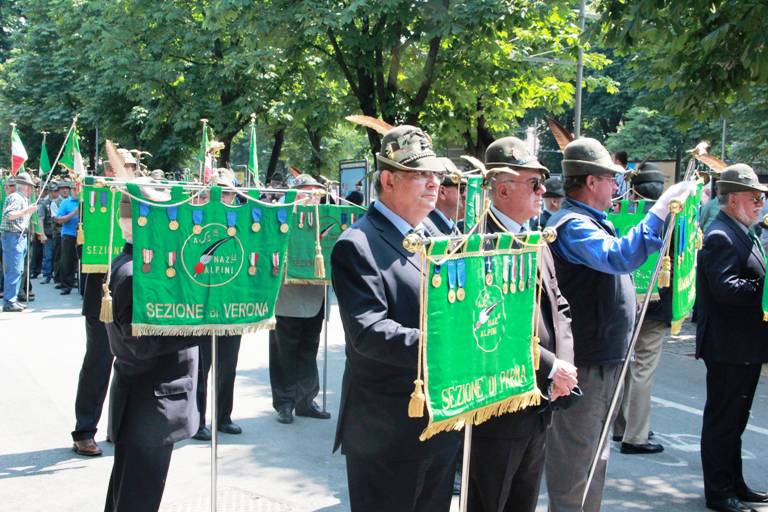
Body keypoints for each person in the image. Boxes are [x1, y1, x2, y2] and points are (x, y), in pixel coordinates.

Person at [544, 138, 695, 512]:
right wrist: (660, 209)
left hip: (605, 358)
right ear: (592, 182)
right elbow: (619, 257)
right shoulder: (572, 225)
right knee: (575, 464)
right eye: (611, 179)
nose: (617, 185)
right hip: (585, 363)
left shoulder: (594, 221)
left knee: (596, 458)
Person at [331, 125, 461, 512]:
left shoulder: (438, 232)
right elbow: (369, 332)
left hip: (441, 419)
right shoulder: (358, 244)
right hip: (386, 431)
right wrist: (447, 346)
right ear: (387, 179)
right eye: (421, 174)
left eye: (436, 175)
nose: (433, 183)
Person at [467, 137, 578, 512]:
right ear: (502, 189)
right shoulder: (480, 243)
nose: (543, 190)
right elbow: (491, 324)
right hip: (501, 402)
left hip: (541, 396)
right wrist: (550, 365)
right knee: (490, 500)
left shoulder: (535, 238)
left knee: (524, 499)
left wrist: (563, 364)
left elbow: (558, 304)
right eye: (534, 183)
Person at [103, 179, 201, 512]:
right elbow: (141, 344)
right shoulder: (136, 274)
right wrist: (199, 327)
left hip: (146, 400)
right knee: (138, 496)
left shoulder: (138, 267)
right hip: (151, 405)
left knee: (128, 491)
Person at [696, 164, 768, 512]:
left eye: (761, 199)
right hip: (728, 346)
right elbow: (725, 289)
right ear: (734, 198)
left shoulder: (744, 230)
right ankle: (718, 492)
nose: (760, 204)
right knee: (723, 422)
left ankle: (734, 483)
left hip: (745, 345)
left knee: (736, 420)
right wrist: (763, 288)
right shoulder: (720, 235)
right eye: (755, 198)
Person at [612, 162, 669, 455]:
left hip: (625, 299)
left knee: (625, 364)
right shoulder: (670, 217)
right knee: (643, 367)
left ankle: (620, 426)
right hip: (654, 304)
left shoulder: (621, 213)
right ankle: (636, 434)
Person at [70, 163, 127, 457]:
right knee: (99, 362)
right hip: (101, 297)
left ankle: (119, 427)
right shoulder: (95, 203)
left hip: (131, 295)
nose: (124, 173)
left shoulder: (139, 199)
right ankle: (84, 431)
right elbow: (82, 249)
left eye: (129, 168)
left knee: (132, 365)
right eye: (121, 168)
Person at [268, 173, 330, 425]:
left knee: (308, 350)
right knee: (284, 353)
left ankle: (306, 401)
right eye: (307, 191)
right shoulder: (280, 215)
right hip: (286, 296)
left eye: (316, 192)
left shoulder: (326, 217)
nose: (313, 196)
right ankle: (284, 403)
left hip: (315, 295)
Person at [193, 169, 244, 440]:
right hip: (200, 304)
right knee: (200, 368)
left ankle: (223, 416)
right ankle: (197, 420)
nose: (223, 197)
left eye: (227, 192)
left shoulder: (242, 221)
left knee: (228, 366)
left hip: (231, 304)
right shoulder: (195, 217)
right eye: (218, 191)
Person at [1, 172, 38, 312]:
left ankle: (12, 299)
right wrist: (26, 211)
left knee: (18, 269)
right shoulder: (16, 198)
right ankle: (9, 301)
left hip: (17, 236)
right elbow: (9, 215)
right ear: (26, 187)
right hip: (13, 236)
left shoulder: (20, 198)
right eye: (31, 187)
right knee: (14, 269)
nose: (32, 190)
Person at [427, 157, 466, 235]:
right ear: (442, 192)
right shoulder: (428, 229)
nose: (464, 194)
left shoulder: (450, 225)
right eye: (461, 189)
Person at [54, 180, 79, 295]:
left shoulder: (86, 201)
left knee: (81, 262)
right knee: (66, 261)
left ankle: (80, 283)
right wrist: (74, 213)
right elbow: (59, 220)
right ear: (71, 190)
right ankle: (66, 286)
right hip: (69, 235)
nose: (76, 191)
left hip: (83, 236)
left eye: (78, 189)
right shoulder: (65, 202)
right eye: (74, 189)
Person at [39, 181, 58, 283]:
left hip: (58, 233)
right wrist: (42, 234)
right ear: (50, 191)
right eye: (53, 191)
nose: (55, 193)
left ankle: (56, 275)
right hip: (48, 233)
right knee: (48, 256)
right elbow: (40, 219)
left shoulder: (60, 202)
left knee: (57, 256)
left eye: (56, 191)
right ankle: (47, 275)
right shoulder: (44, 203)